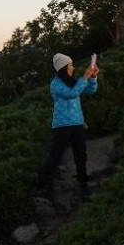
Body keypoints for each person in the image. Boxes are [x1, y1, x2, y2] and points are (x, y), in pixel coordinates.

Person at [37, 53, 99, 202]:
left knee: (81, 156)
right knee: (55, 156)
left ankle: (83, 187)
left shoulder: (72, 81)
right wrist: (85, 77)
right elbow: (73, 94)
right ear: (63, 68)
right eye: (70, 65)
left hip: (77, 123)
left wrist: (93, 77)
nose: (73, 67)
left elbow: (90, 90)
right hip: (62, 126)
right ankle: (42, 186)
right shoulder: (56, 84)